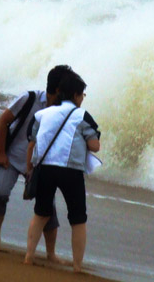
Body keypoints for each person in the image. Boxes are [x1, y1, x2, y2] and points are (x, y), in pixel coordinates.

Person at [24, 67, 100, 273]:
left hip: (46, 168)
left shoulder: (42, 114)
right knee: (78, 218)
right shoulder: (82, 115)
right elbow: (95, 146)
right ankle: (77, 266)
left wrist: (30, 167)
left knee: (41, 213)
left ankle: (29, 256)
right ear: (75, 95)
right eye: (82, 94)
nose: (82, 98)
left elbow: (32, 142)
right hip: (71, 171)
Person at [0, 67, 66, 255]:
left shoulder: (63, 110)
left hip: (40, 165)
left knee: (48, 210)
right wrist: (0, 154)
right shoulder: (29, 99)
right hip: (13, 158)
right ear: (57, 89)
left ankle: (51, 254)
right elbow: (3, 121)